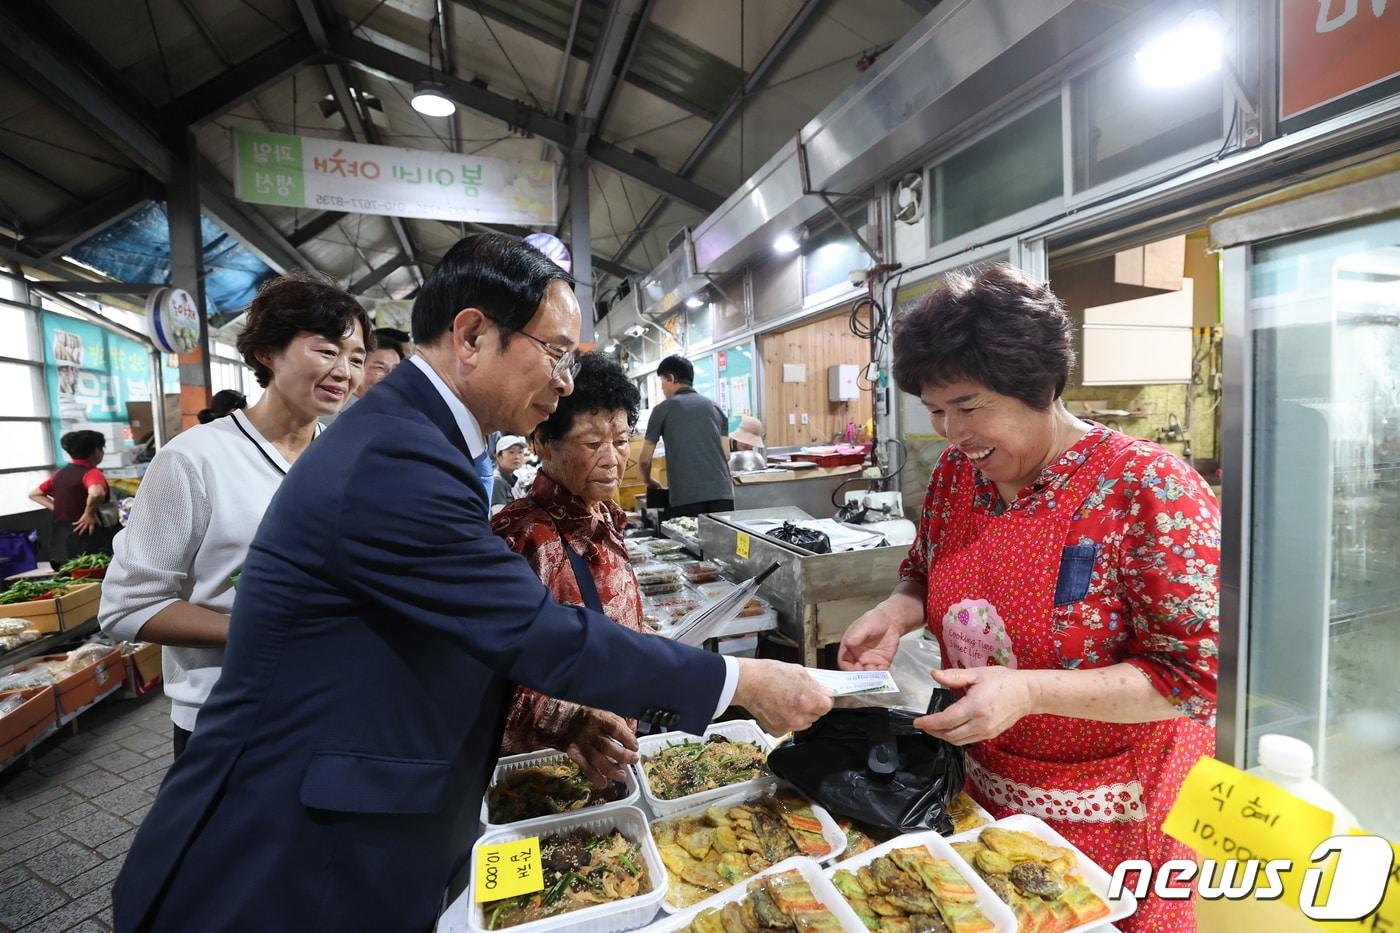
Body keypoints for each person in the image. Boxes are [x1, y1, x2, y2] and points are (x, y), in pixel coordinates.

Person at [111, 233, 831, 932]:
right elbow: (534, 632)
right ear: (472, 335)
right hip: (285, 851)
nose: (564, 379)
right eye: (552, 352)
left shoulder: (419, 440)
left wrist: (568, 719)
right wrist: (740, 680)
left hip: (358, 814)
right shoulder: (398, 456)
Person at [837, 265, 1218, 933]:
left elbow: (1195, 678)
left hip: (1123, 818)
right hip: (988, 797)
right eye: (935, 410)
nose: (951, 432)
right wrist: (897, 610)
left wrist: (1030, 691)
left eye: (968, 405)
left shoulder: (1148, 487)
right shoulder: (959, 474)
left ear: (1038, 386)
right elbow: (922, 570)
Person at [99, 272, 370, 758]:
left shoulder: (346, 459)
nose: (344, 372)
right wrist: (258, 628)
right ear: (268, 352)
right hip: (229, 719)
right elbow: (127, 606)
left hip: (331, 704)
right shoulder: (193, 459)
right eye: (327, 351)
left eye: (356, 358)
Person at [492, 352, 647, 781]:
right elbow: (493, 672)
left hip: (613, 751)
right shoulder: (521, 538)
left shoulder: (605, 516)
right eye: (592, 443)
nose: (614, 459)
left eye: (620, 440)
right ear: (542, 443)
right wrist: (570, 721)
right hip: (549, 768)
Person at [639, 355, 733, 518]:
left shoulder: (663, 409)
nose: (662, 389)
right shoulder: (715, 407)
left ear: (671, 378)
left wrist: (649, 481)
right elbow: (726, 455)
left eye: (662, 382)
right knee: (721, 542)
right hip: (723, 496)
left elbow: (645, 459)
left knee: (687, 541)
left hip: (686, 499)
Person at [28, 430, 112, 565]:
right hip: (89, 540)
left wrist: (58, 508)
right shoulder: (92, 473)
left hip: (62, 542)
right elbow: (97, 493)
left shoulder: (60, 474)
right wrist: (88, 513)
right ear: (97, 451)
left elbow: (35, 494)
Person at [490, 434, 528, 516]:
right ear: (498, 456)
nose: (517, 456)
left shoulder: (511, 479)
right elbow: (499, 518)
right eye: (511, 452)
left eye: (520, 452)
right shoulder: (498, 482)